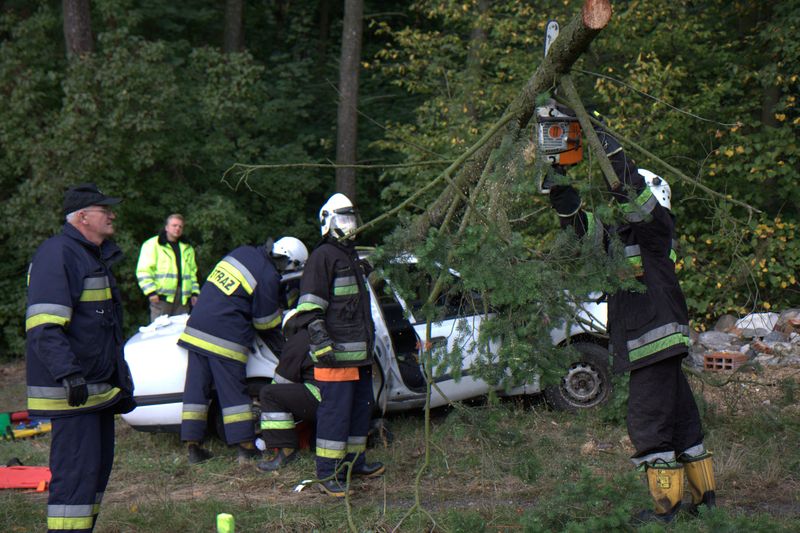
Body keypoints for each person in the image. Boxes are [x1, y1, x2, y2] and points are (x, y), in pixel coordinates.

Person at [543, 108, 716, 522]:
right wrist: (561, 193)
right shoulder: (627, 241)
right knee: (683, 425)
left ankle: (665, 509)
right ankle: (704, 502)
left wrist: (601, 138)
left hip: (652, 341)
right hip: (657, 346)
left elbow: (630, 191)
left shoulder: (657, 230)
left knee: (648, 424)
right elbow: (586, 231)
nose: (623, 209)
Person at [25, 183, 135, 533]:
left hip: (94, 392)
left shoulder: (89, 255)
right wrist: (69, 375)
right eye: (105, 209)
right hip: (74, 393)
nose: (112, 214)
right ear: (83, 216)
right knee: (75, 482)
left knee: (92, 479)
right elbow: (44, 325)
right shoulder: (58, 255)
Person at [294, 193, 384, 497]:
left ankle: (355, 463)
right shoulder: (323, 257)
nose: (350, 224)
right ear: (328, 222)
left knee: (360, 410)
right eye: (343, 218)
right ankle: (328, 473)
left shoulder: (351, 256)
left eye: (351, 218)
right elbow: (309, 307)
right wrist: (322, 343)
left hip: (358, 356)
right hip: (335, 356)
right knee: (335, 414)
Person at [178, 240, 282, 465]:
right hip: (226, 334)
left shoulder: (241, 252)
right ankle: (246, 448)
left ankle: (193, 447)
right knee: (233, 392)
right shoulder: (268, 274)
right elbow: (265, 323)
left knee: (196, 390)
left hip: (197, 327)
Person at [256, 309, 319, 472]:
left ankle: (286, 450)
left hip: (321, 396)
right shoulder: (320, 332)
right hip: (338, 395)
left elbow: (281, 383)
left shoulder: (299, 340)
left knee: (269, 394)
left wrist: (266, 428)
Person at [136, 214, 200, 322]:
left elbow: (192, 274)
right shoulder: (153, 245)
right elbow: (144, 270)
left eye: (180, 226)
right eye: (174, 225)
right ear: (166, 227)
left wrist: (194, 293)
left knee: (178, 332)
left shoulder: (187, 248)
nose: (177, 228)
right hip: (161, 297)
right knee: (159, 331)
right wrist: (150, 292)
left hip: (183, 299)